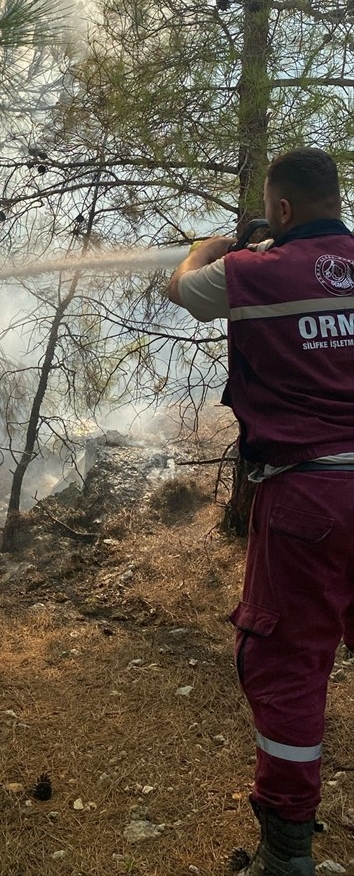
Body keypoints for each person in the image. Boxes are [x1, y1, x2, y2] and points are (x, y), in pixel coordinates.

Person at [166, 147, 354, 876]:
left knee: (287, 666)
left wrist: (215, 245)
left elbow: (182, 288)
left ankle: (286, 854)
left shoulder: (250, 272)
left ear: (278, 210)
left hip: (307, 496)